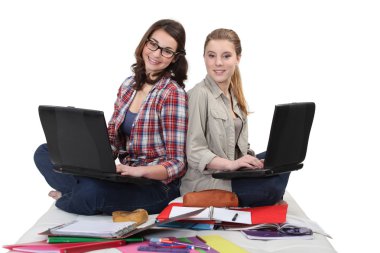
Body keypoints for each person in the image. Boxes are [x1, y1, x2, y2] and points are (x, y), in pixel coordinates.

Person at [34, 19, 188, 215]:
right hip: (122, 175)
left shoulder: (173, 94)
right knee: (45, 152)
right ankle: (79, 193)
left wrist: (138, 171)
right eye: (154, 44)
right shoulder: (128, 86)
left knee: (92, 192)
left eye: (167, 50)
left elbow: (177, 163)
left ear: (174, 58)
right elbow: (113, 142)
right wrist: (85, 150)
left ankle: (70, 196)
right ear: (145, 43)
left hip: (155, 186)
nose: (156, 54)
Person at [180, 28, 289, 207]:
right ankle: (269, 193)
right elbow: (195, 152)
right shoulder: (199, 94)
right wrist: (231, 165)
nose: (218, 63)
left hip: (233, 173)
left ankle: (267, 185)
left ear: (238, 58)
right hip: (209, 180)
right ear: (204, 57)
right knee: (270, 189)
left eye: (226, 56)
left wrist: (253, 162)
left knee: (280, 157)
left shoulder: (235, 95)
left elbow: (240, 148)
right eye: (211, 55)